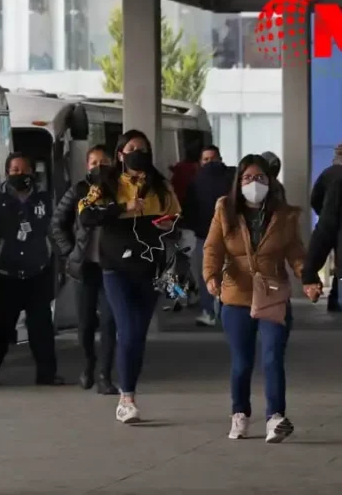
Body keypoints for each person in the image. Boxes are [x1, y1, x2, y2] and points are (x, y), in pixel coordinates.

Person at [203, 154, 311, 443]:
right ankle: (240, 414)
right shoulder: (225, 209)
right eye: (248, 178)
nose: (254, 183)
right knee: (242, 362)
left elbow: (296, 253)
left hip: (273, 296)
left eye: (260, 178)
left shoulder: (285, 215)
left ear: (270, 181)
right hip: (236, 296)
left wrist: (308, 278)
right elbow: (212, 247)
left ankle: (275, 417)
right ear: (238, 182)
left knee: (273, 356)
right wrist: (211, 276)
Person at [78, 130, 181, 423]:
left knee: (138, 334)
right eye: (131, 148)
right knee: (128, 330)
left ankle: (129, 389)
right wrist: (123, 209)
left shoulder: (161, 187)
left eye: (142, 148)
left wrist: (168, 226)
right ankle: (126, 399)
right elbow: (86, 214)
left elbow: (177, 219)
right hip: (115, 270)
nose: (137, 152)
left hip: (150, 268)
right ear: (121, 154)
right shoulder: (106, 183)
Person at [0, 152, 62, 386]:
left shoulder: (45, 201)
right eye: (14, 170)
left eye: (24, 170)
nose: (19, 175)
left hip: (37, 273)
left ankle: (47, 375)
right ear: (7, 173)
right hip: (4, 276)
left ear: (33, 172)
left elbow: (56, 231)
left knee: (41, 327)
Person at [50, 144, 118, 394]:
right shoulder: (78, 191)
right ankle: (88, 364)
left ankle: (105, 375)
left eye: (104, 161)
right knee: (86, 324)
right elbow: (58, 223)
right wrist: (70, 253)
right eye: (94, 163)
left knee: (111, 323)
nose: (99, 167)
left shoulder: (121, 192)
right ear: (86, 166)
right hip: (86, 268)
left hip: (112, 268)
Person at [182, 145, 235, 327]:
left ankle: (209, 312)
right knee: (230, 276)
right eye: (207, 159)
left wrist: (196, 228)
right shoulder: (232, 179)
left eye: (210, 159)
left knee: (207, 275)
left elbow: (188, 210)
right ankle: (229, 311)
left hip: (204, 236)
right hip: (230, 237)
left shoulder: (195, 182)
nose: (209, 163)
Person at [309, 143, 342, 312]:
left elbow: (315, 198)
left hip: (329, 223)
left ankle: (333, 298)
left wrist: (323, 213)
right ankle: (337, 296)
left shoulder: (328, 173)